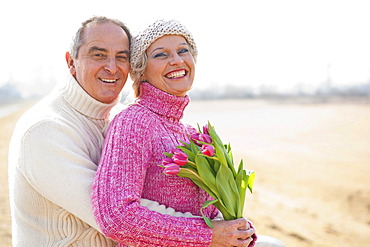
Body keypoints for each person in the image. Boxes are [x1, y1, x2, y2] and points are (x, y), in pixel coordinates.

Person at [8, 16, 192, 247]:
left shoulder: (119, 117)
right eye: (99, 55)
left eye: (121, 57)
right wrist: (211, 232)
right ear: (71, 61)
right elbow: (114, 214)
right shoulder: (45, 130)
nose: (112, 67)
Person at [91, 19, 258, 247]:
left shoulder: (190, 134)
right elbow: (116, 216)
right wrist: (209, 235)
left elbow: (210, 216)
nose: (177, 60)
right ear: (141, 69)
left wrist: (236, 231)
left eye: (183, 50)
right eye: (161, 55)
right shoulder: (134, 122)